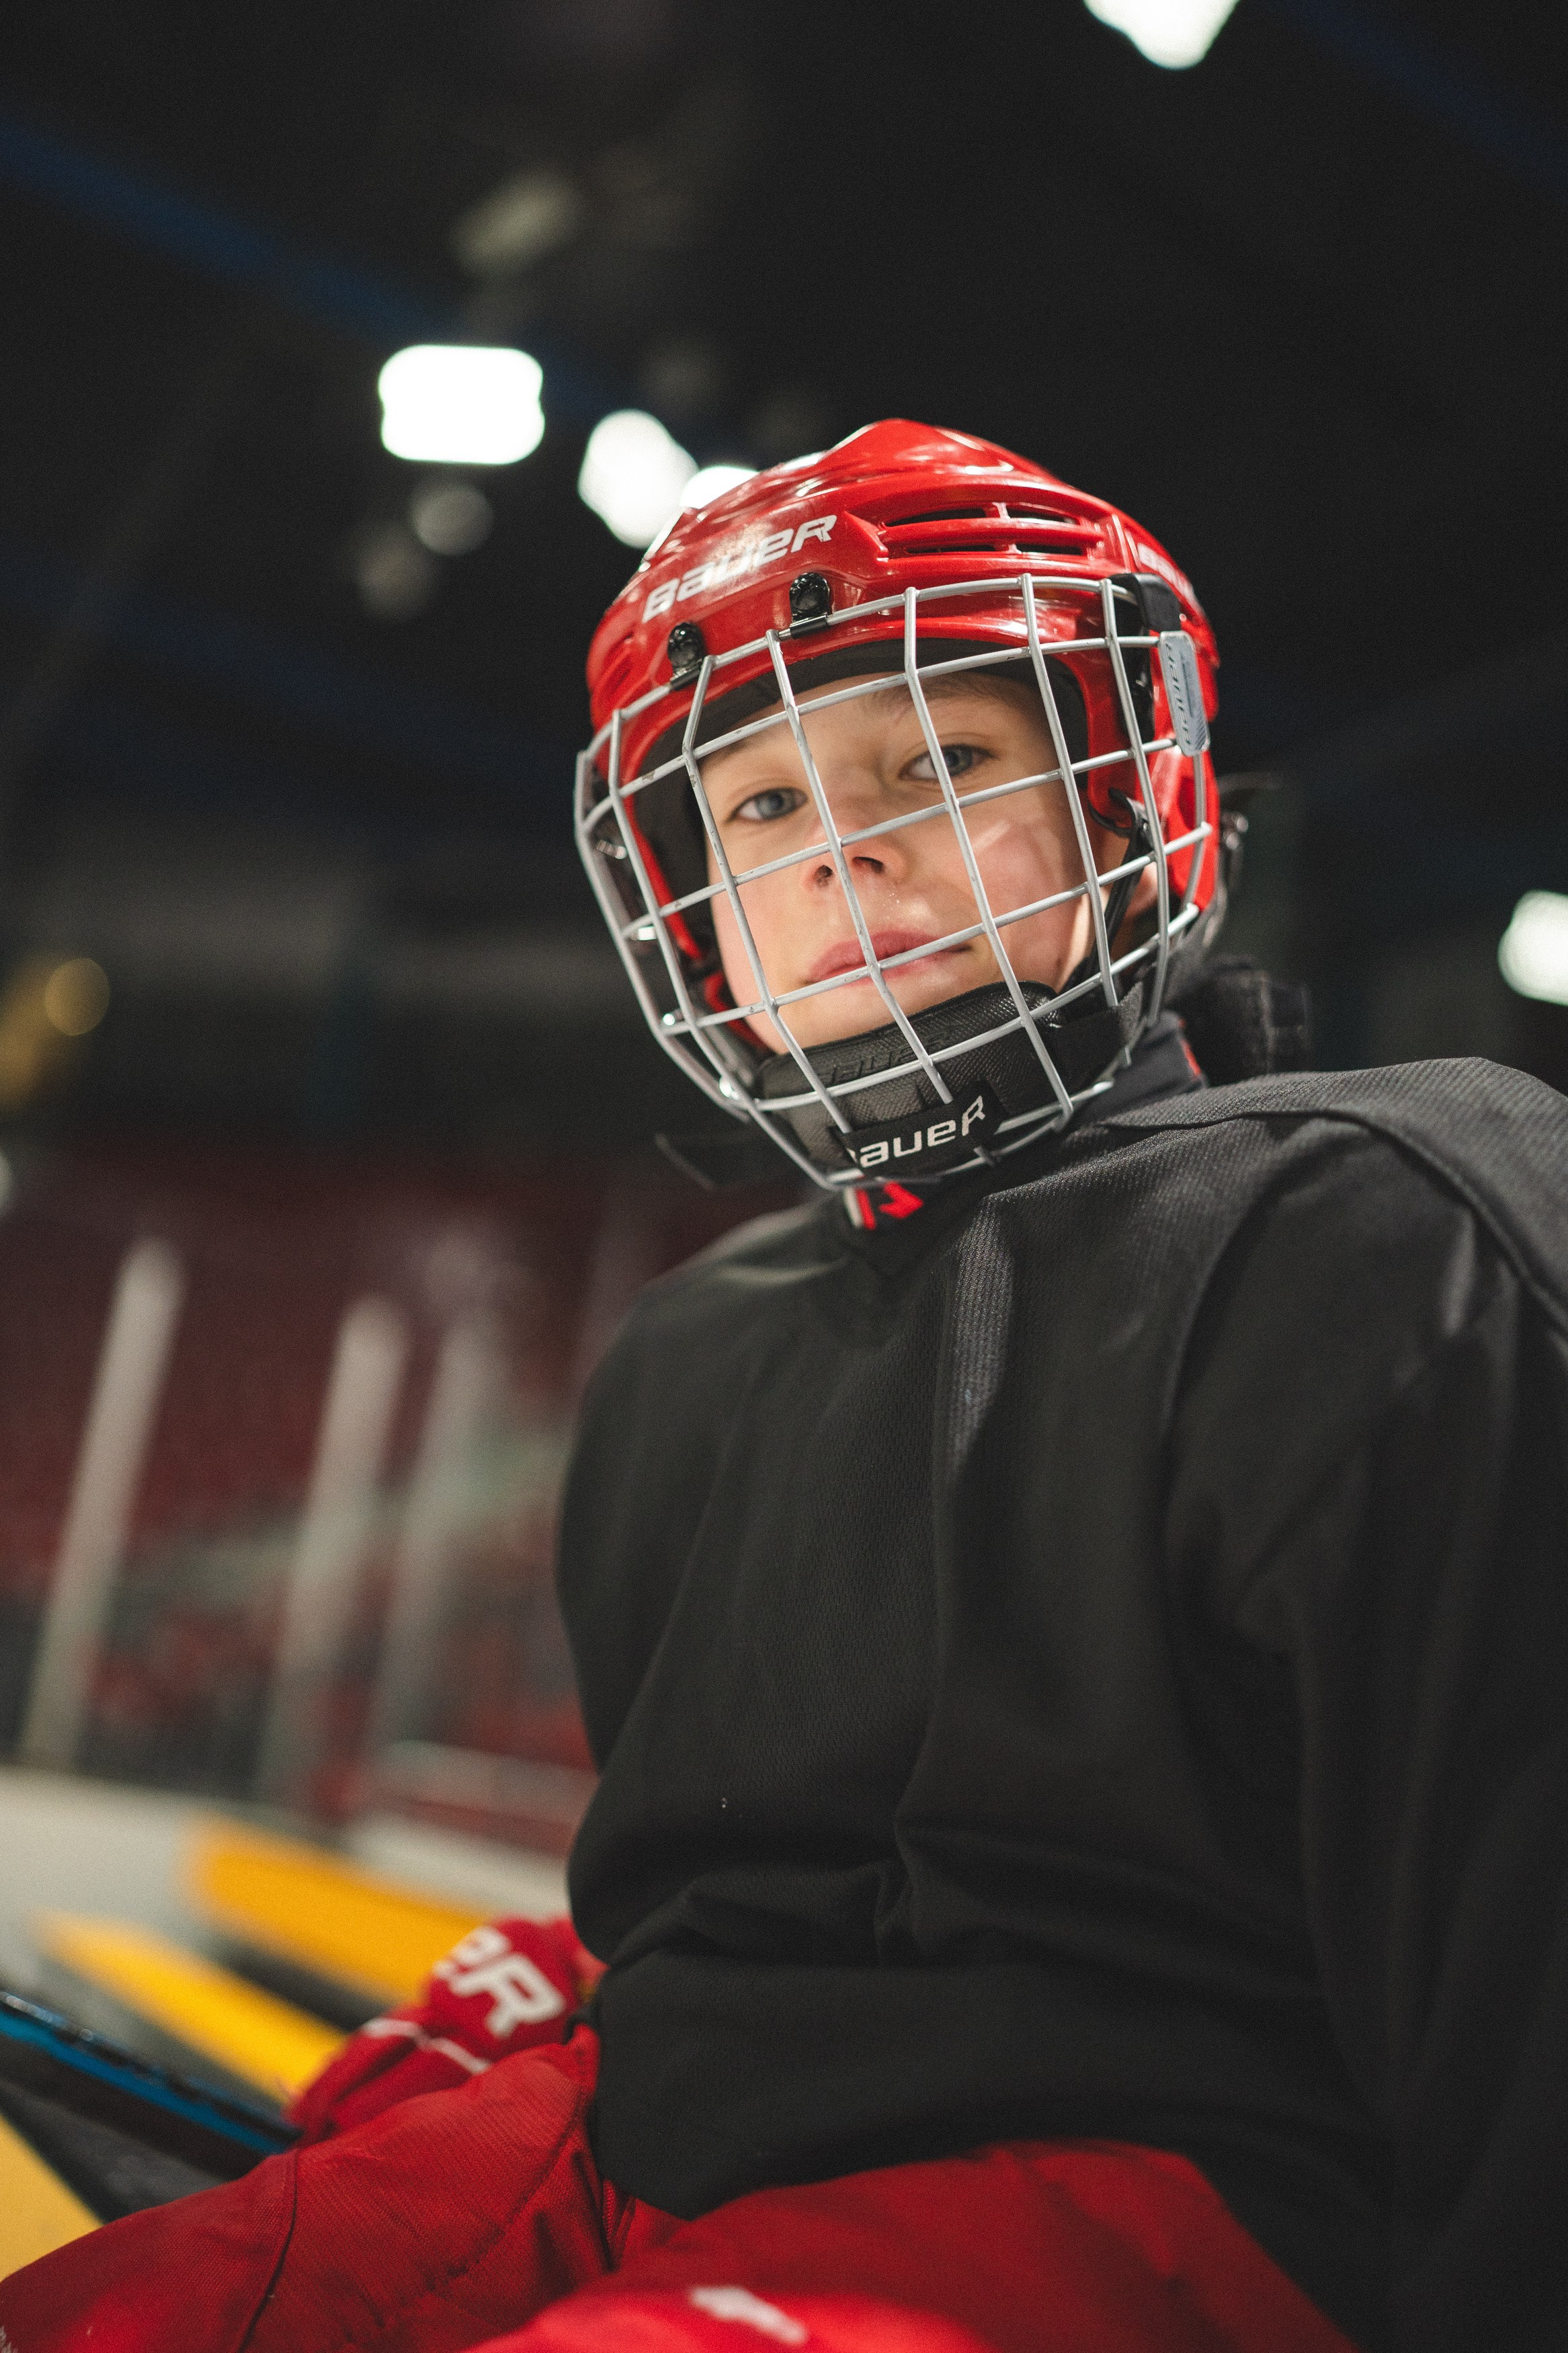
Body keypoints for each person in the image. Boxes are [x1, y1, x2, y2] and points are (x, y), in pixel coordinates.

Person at [5, 420, 1565, 2353]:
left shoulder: (1383, 1229)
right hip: (667, 2142)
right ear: (694, 905)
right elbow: (836, 1884)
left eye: (942, 756)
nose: (845, 844)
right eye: (757, 808)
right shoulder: (689, 1353)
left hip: (1170, 2198)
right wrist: (597, 1975)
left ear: (1126, 797)